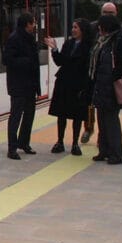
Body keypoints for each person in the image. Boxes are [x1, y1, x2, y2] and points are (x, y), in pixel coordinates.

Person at [89, 13, 122, 165]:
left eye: (100, 26)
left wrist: (112, 77)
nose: (99, 29)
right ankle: (104, 150)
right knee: (102, 120)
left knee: (111, 121)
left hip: (111, 88)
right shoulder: (104, 41)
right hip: (102, 86)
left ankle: (116, 154)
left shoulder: (119, 40)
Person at [46, 18, 92, 155]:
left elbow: (87, 67)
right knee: (62, 114)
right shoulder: (69, 43)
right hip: (64, 83)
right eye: (73, 27)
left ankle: (75, 143)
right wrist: (54, 49)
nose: (73, 30)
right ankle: (60, 141)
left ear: (82, 30)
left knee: (77, 115)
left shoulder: (88, 46)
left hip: (78, 85)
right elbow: (60, 61)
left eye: (76, 27)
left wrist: (86, 87)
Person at [3, 11, 40, 160]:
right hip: (18, 85)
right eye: (33, 23)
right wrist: (26, 62)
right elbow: (7, 60)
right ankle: (12, 148)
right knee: (16, 116)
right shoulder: (14, 39)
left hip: (30, 84)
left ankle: (24, 142)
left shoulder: (31, 39)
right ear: (27, 24)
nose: (34, 26)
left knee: (29, 115)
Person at [82, 2, 118, 144]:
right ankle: (89, 128)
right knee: (90, 104)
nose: (108, 16)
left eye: (111, 13)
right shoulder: (93, 28)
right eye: (105, 13)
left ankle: (102, 138)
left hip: (108, 77)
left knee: (106, 109)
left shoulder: (119, 30)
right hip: (92, 74)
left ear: (116, 14)